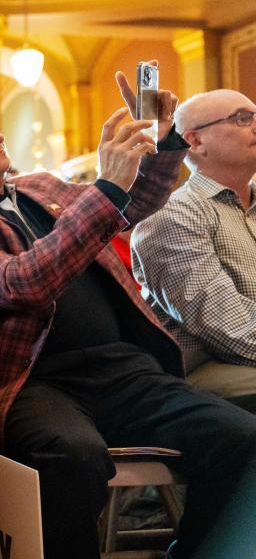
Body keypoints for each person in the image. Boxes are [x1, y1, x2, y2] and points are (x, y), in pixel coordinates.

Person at [0, 70, 256, 559]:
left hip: (121, 367)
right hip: (32, 380)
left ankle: (196, 552)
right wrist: (106, 188)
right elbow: (22, 283)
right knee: (73, 455)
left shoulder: (38, 186)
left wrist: (165, 141)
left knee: (241, 437)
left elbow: (131, 206)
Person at [131, 89, 256, 412]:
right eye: (243, 119)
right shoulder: (174, 214)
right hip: (201, 371)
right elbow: (228, 326)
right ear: (195, 142)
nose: (255, 125)